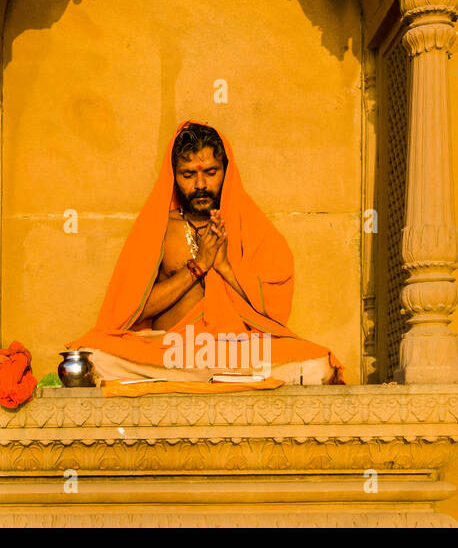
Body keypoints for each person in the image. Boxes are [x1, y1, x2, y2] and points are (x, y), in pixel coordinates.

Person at [68, 120, 345, 385]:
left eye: (210, 173)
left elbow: (273, 311)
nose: (200, 185)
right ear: (173, 177)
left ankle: (216, 378)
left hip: (232, 353)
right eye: (188, 175)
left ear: (226, 171)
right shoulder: (159, 228)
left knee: (317, 364)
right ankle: (216, 381)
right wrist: (197, 267)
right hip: (172, 354)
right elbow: (132, 311)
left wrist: (224, 266)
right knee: (91, 355)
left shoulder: (250, 226)